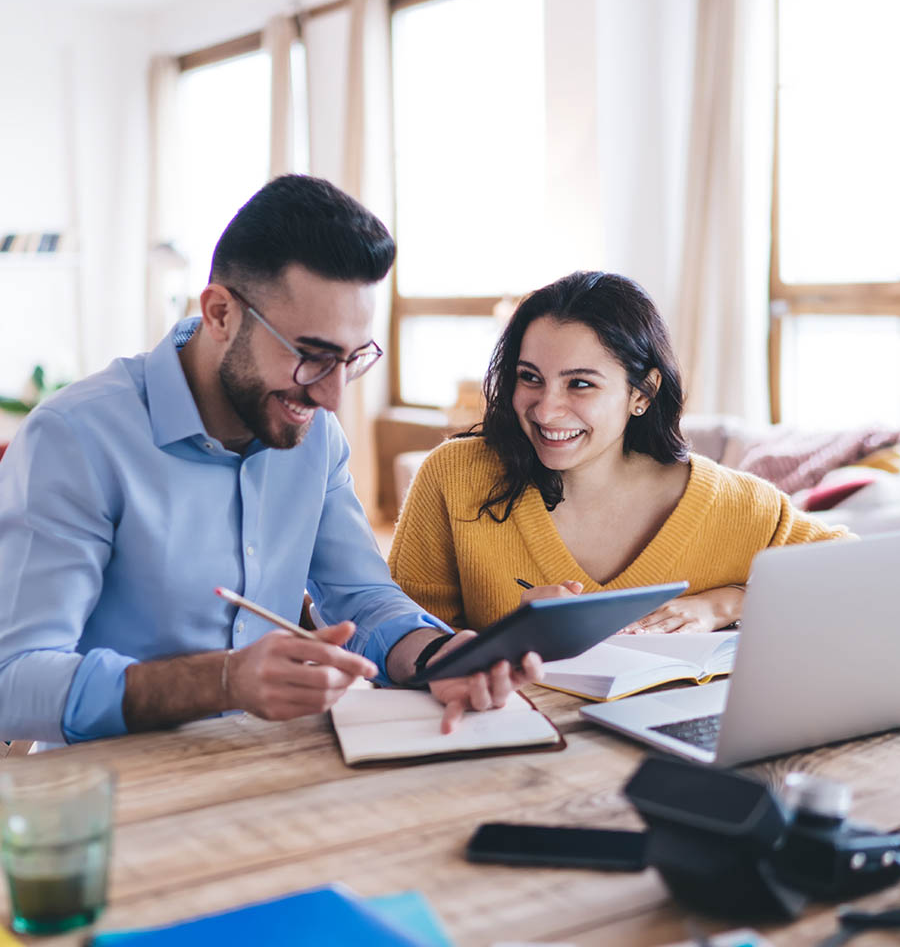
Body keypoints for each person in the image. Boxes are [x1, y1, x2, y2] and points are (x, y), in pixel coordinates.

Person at [0, 175, 539, 746]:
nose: (333, 397)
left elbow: (361, 598)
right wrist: (222, 680)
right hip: (115, 792)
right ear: (220, 314)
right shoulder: (76, 437)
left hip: (272, 766)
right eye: (311, 356)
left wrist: (439, 655)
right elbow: (14, 679)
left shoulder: (317, 433)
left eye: (353, 360)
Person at [389, 271, 848, 633]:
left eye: (580, 384)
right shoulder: (453, 477)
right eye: (530, 377)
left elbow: (856, 578)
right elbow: (394, 637)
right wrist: (513, 637)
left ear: (642, 393)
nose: (546, 409)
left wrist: (726, 602)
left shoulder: (738, 506)